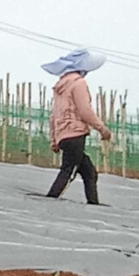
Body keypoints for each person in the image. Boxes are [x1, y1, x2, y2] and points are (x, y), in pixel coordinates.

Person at [43, 48, 112, 204]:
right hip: (75, 133)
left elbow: (55, 115)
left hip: (63, 135)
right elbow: (85, 111)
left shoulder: (61, 86)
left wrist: (54, 139)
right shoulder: (79, 84)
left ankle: (93, 203)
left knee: (89, 172)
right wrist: (102, 129)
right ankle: (50, 200)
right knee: (69, 170)